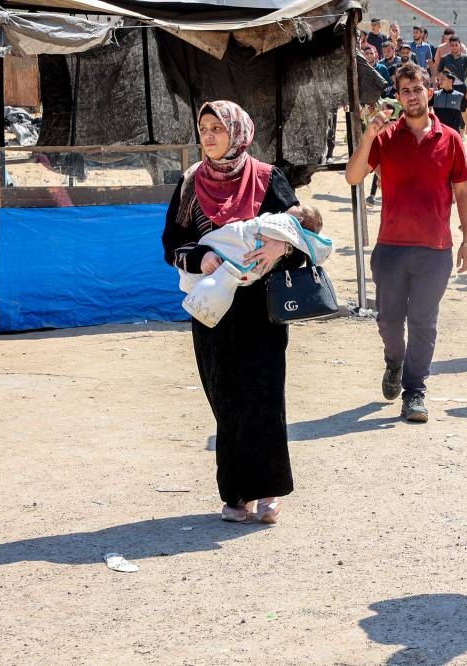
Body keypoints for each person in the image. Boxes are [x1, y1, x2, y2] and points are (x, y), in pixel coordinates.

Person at [162, 100, 305, 524]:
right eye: (203, 128)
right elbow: (172, 244)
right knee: (224, 397)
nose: (208, 136)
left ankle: (268, 492)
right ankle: (237, 493)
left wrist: (280, 246)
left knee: (263, 395)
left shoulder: (267, 179)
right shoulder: (190, 183)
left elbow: (302, 236)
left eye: (217, 128)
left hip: (261, 308)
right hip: (213, 309)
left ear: (237, 133)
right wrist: (200, 257)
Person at [345, 62, 467, 423]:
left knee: (423, 323)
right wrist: (368, 135)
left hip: (435, 249)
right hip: (391, 248)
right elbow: (353, 177)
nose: (412, 96)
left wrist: (466, 237)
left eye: (417, 89)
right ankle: (394, 362)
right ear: (398, 97)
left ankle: (415, 391)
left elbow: (463, 190)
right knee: (388, 321)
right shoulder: (385, 137)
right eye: (405, 91)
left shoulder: (450, 139)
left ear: (428, 91)